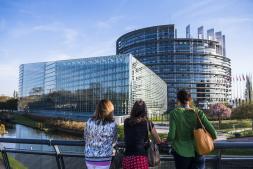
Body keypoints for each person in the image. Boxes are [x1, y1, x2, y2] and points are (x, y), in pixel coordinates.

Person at [167, 89, 217, 169]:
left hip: (181, 152)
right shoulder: (198, 112)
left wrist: (166, 140)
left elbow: (171, 136)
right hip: (199, 151)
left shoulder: (174, 113)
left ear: (178, 100)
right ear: (190, 99)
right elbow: (214, 134)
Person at [122, 100, 161, 169]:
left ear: (133, 109)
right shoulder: (147, 122)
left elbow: (127, 136)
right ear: (145, 111)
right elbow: (158, 140)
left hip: (127, 158)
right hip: (140, 158)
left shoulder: (126, 121)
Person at [84, 99, 117, 169]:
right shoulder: (112, 124)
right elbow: (114, 141)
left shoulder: (89, 121)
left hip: (89, 158)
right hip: (104, 159)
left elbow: (85, 137)